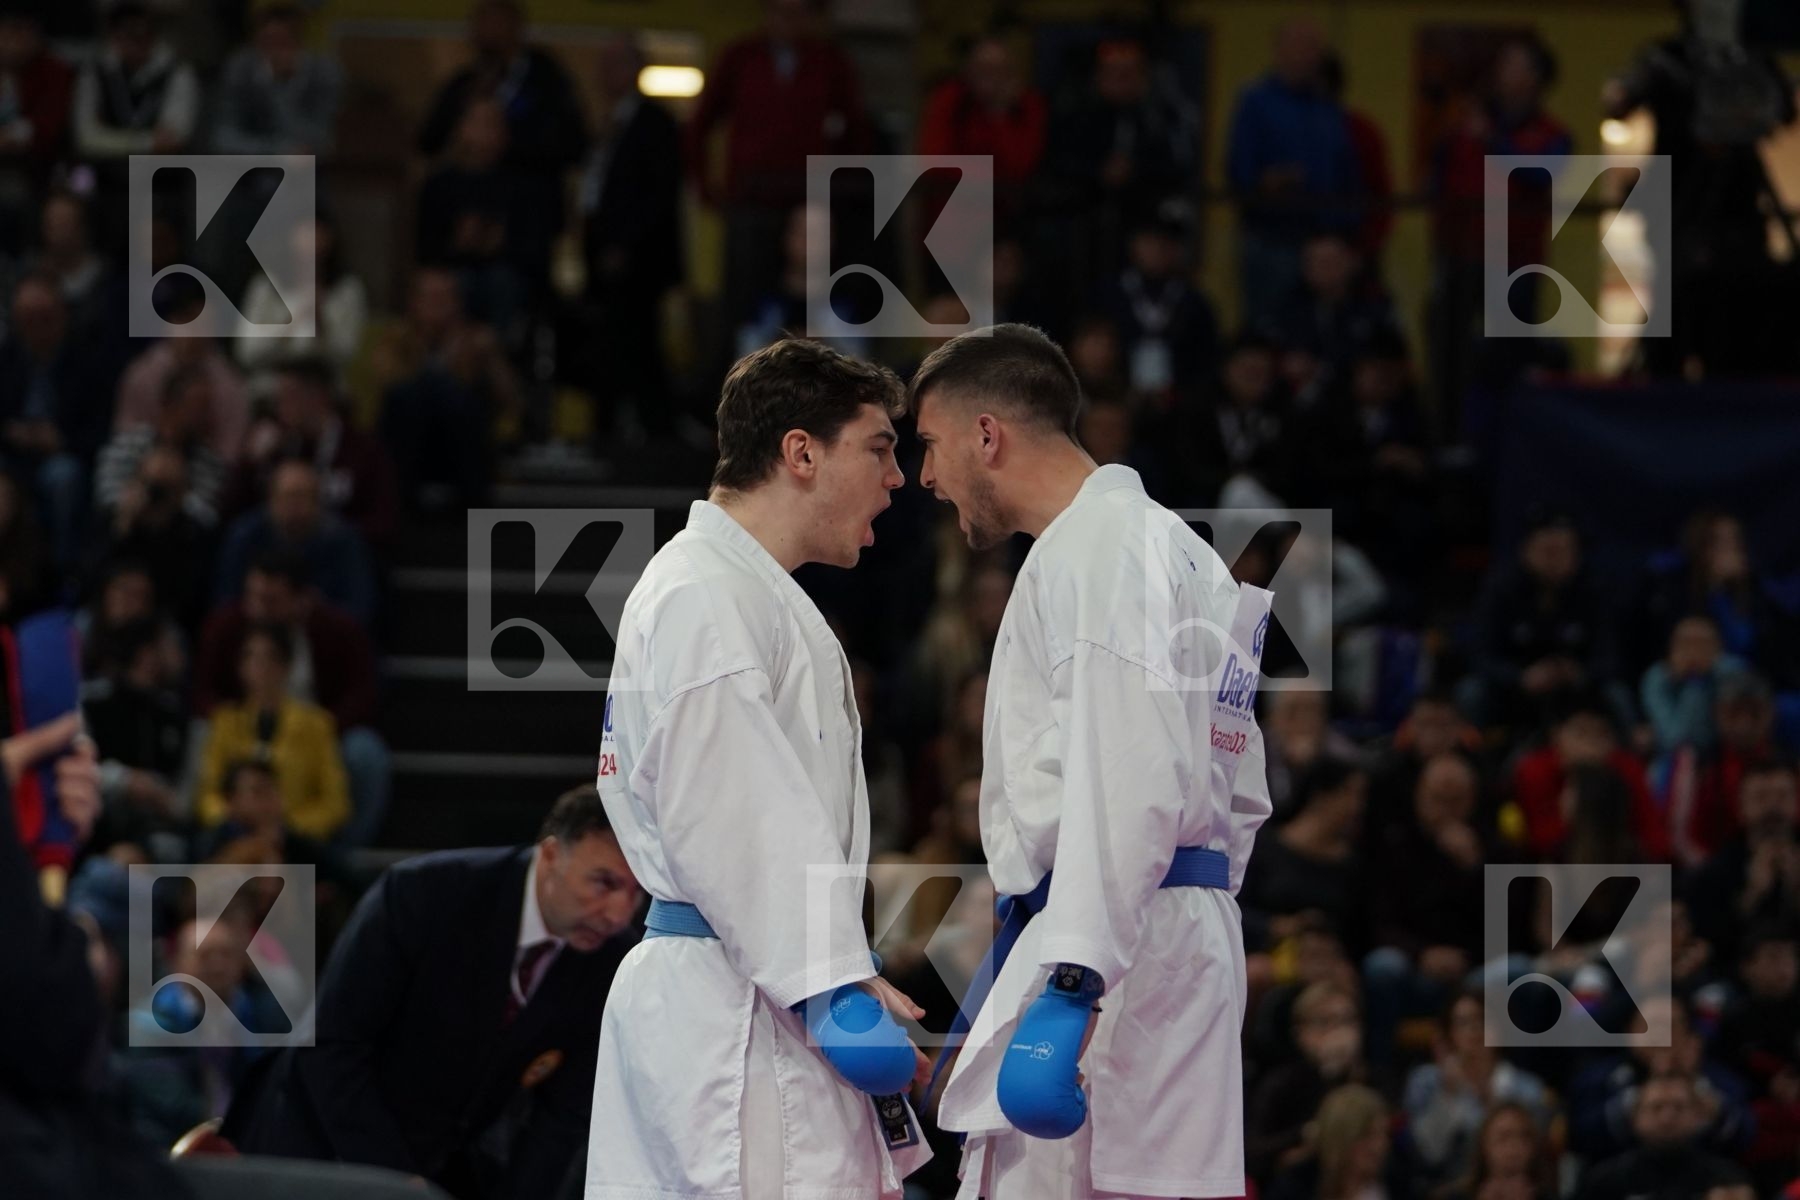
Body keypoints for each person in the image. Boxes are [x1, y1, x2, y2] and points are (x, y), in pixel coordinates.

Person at [912, 323, 1274, 1199]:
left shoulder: (1102, 547)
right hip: (1164, 926)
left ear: (986, 434)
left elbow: (1131, 772)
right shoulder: (1175, 549)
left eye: (928, 447)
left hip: (1116, 951)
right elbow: (1242, 785)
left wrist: (1075, 975)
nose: (923, 477)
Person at [585, 338, 929, 1198]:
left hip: (751, 988)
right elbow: (732, 817)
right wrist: (832, 987)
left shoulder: (737, 589)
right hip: (737, 1009)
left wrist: (837, 972)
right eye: (880, 448)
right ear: (801, 452)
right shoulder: (706, 594)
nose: (897, 479)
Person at [223, 785, 640, 1199]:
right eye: (603, 883)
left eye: (636, 893)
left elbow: (561, 1116)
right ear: (550, 856)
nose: (619, 914)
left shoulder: (612, 959)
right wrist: (396, 1184)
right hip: (312, 1142)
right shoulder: (424, 893)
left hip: (437, 1163)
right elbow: (333, 1045)